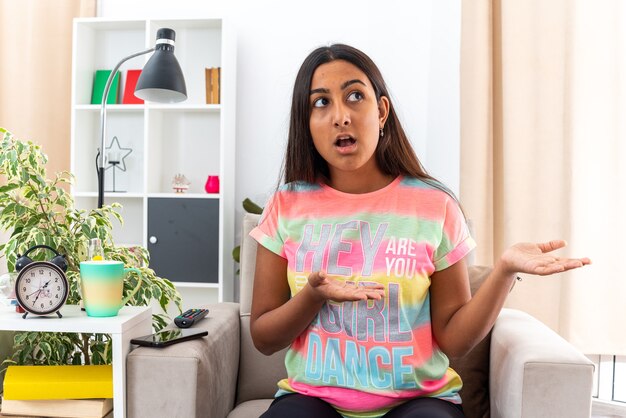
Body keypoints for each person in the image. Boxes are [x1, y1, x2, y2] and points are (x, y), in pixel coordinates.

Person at [249, 44, 590, 418]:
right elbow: (264, 338)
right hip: (313, 401)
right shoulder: (286, 205)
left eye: (355, 96)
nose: (340, 116)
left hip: (418, 403)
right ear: (306, 122)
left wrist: (504, 272)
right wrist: (313, 296)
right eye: (320, 103)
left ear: (380, 112)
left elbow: (454, 340)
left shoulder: (434, 205)